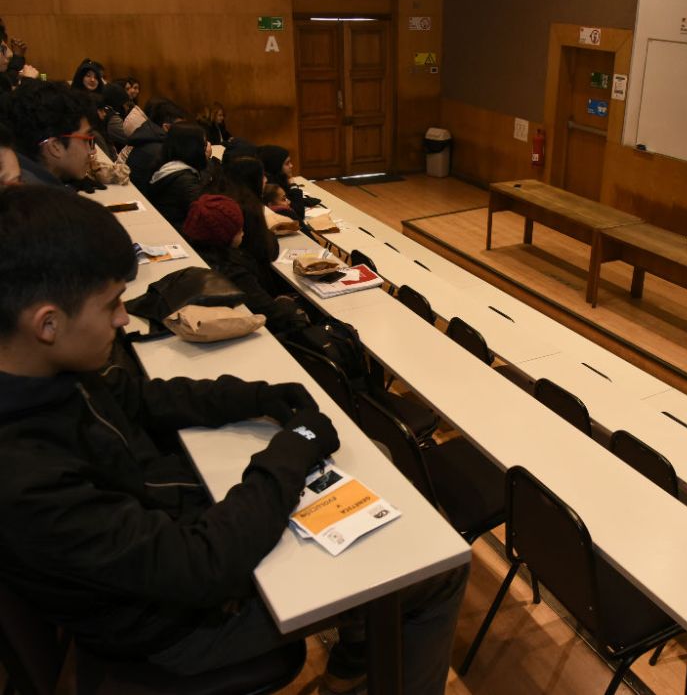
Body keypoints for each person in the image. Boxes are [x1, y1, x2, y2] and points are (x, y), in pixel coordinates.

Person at [0, 186, 468, 694]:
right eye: (111, 304)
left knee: (365, 469)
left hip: (169, 541)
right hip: (176, 631)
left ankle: (359, 653)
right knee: (432, 571)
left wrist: (260, 396)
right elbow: (201, 566)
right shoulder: (25, 475)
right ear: (47, 322)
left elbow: (140, 397)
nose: (121, 318)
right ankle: (368, 645)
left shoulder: (45, 371)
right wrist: (289, 453)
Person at [183, 194, 308, 335]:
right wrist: (285, 303)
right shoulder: (232, 271)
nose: (243, 232)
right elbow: (272, 315)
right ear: (224, 234)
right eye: (238, 229)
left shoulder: (194, 253)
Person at [0, 80, 94, 190]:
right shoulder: (45, 201)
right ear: (55, 147)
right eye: (86, 140)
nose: (92, 151)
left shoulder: (22, 172)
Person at [147, 121, 211, 229]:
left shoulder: (166, 166)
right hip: (180, 233)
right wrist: (207, 163)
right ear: (192, 148)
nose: (207, 148)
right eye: (203, 145)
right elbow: (204, 214)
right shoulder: (185, 181)